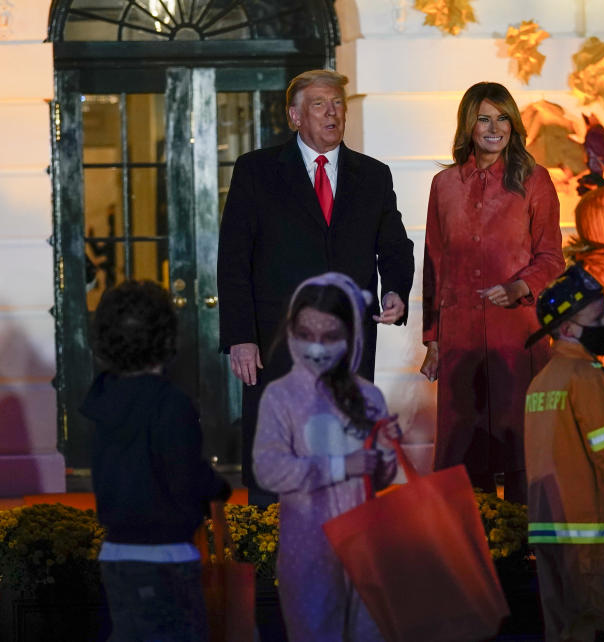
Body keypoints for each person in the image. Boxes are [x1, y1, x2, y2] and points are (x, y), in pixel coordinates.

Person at [218, 69, 415, 506]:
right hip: (275, 342)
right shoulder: (256, 171)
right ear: (294, 116)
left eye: (338, 104)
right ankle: (271, 554)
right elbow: (233, 260)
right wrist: (240, 337)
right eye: (320, 104)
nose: (333, 113)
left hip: (350, 345)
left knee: (347, 453)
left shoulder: (373, 176)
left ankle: (350, 556)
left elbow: (396, 246)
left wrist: (396, 290)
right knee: (277, 453)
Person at [420, 81, 564, 503]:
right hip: (461, 342)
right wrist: (432, 341)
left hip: (516, 339)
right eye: (484, 118)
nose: (494, 128)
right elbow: (434, 265)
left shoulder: (534, 181)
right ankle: (475, 557)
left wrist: (520, 285)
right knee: (465, 460)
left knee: (522, 452)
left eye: (502, 118)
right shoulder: (444, 185)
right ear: (468, 125)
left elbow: (552, 257)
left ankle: (526, 556)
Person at [253, 273, 402, 642]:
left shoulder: (368, 397)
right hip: (308, 551)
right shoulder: (280, 396)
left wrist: (385, 448)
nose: (316, 347)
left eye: (330, 336)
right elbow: (268, 469)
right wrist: (339, 467)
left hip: (365, 552)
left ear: (351, 336)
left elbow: (381, 477)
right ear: (291, 330)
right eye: (306, 334)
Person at [81, 280, 232, 641]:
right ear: (166, 338)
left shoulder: (101, 398)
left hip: (116, 551)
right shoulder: (170, 404)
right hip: (166, 554)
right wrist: (217, 486)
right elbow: (184, 474)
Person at [524, 265, 604, 642]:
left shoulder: (540, 383)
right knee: (595, 627)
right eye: (597, 319)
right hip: (589, 536)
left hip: (547, 532)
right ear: (566, 329)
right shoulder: (587, 376)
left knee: (561, 632)